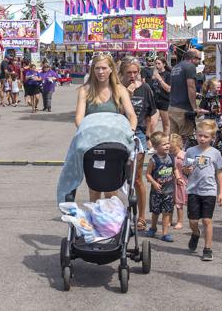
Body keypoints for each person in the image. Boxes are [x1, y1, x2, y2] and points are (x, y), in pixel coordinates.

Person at [74, 53, 137, 201]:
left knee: (111, 189)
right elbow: (78, 117)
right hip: (93, 140)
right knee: (94, 188)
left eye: (104, 68)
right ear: (92, 70)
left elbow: (131, 115)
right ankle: (96, 217)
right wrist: (84, 130)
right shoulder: (85, 90)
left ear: (111, 69)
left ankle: (109, 220)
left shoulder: (119, 89)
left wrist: (131, 132)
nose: (100, 72)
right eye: (97, 68)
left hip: (113, 141)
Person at [119, 56, 158, 232]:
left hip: (139, 134)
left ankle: (141, 217)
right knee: (116, 177)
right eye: (129, 73)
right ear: (122, 74)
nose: (132, 76)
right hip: (118, 133)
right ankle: (117, 214)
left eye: (135, 72)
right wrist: (127, 93)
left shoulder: (146, 88)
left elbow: (151, 112)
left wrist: (149, 133)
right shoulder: (117, 89)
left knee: (136, 178)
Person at [182, 119, 222, 262]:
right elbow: (184, 169)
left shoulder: (215, 153)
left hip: (209, 191)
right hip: (193, 190)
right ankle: (195, 234)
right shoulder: (190, 151)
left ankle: (207, 248)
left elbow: (219, 172)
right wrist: (186, 170)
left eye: (206, 136)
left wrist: (221, 193)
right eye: (199, 135)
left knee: (207, 220)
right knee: (193, 221)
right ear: (195, 134)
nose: (202, 138)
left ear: (212, 138)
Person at [145, 132, 178, 242]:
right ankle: (153, 227)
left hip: (168, 191)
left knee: (166, 212)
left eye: (168, 143)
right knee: (155, 211)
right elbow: (148, 174)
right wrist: (154, 183)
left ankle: (165, 233)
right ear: (155, 147)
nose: (167, 146)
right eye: (164, 144)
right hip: (157, 192)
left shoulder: (171, 158)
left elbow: (175, 169)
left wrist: (178, 177)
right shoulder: (153, 160)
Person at [167, 48, 204, 137]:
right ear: (192, 58)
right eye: (198, 59)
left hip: (172, 107)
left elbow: (179, 87)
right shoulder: (190, 66)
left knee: (174, 139)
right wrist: (194, 107)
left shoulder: (176, 67)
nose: (199, 61)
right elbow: (191, 86)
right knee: (186, 139)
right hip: (183, 109)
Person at [149, 57, 173, 133]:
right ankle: (150, 141)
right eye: (155, 63)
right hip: (155, 102)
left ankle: (165, 141)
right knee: (152, 124)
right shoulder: (154, 75)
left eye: (159, 63)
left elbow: (168, 89)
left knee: (166, 124)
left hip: (165, 101)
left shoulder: (168, 75)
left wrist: (160, 79)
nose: (157, 65)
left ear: (164, 64)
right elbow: (151, 88)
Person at [170, 133, 188, 230]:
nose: (172, 151)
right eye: (170, 149)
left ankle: (180, 221)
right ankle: (169, 220)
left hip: (181, 182)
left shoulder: (184, 156)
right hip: (171, 181)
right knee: (171, 202)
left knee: (179, 203)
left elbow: (189, 168)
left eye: (173, 149)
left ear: (179, 145)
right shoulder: (171, 156)